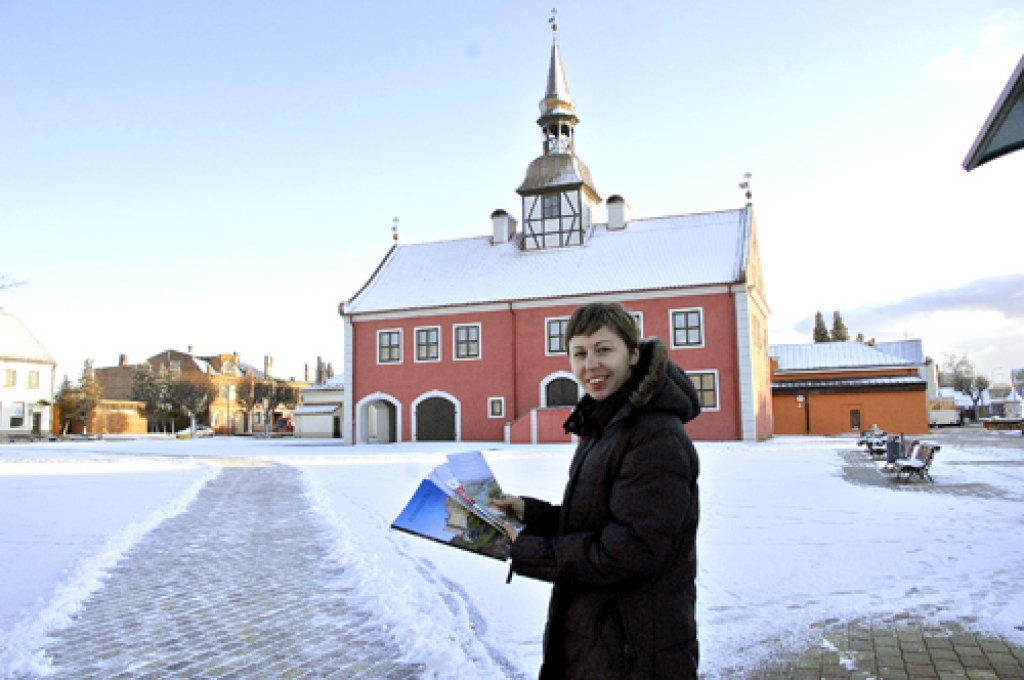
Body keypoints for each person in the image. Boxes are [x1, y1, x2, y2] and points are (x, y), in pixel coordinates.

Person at [494, 302, 701, 679]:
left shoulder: (654, 436)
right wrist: (530, 512)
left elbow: (629, 552)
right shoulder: (605, 424)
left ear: (633, 354)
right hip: (599, 639)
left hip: (636, 652)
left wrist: (531, 551)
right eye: (579, 353)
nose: (591, 365)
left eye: (604, 350)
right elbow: (596, 517)